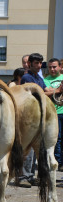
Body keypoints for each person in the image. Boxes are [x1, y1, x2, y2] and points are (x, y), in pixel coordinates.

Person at [19, 53, 47, 187]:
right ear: (30, 64)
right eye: (36, 63)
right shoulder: (27, 77)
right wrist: (57, 90)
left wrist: (57, 90)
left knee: (35, 148)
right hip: (28, 118)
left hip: (37, 117)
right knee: (27, 149)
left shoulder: (39, 78)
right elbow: (39, 93)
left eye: (40, 63)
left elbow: (46, 89)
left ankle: (30, 176)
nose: (39, 65)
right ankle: (23, 176)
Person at [43, 58, 63, 172]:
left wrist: (52, 90)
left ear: (60, 67)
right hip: (53, 114)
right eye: (50, 67)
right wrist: (58, 90)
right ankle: (58, 162)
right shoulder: (45, 80)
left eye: (54, 67)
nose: (52, 69)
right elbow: (44, 93)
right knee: (57, 139)